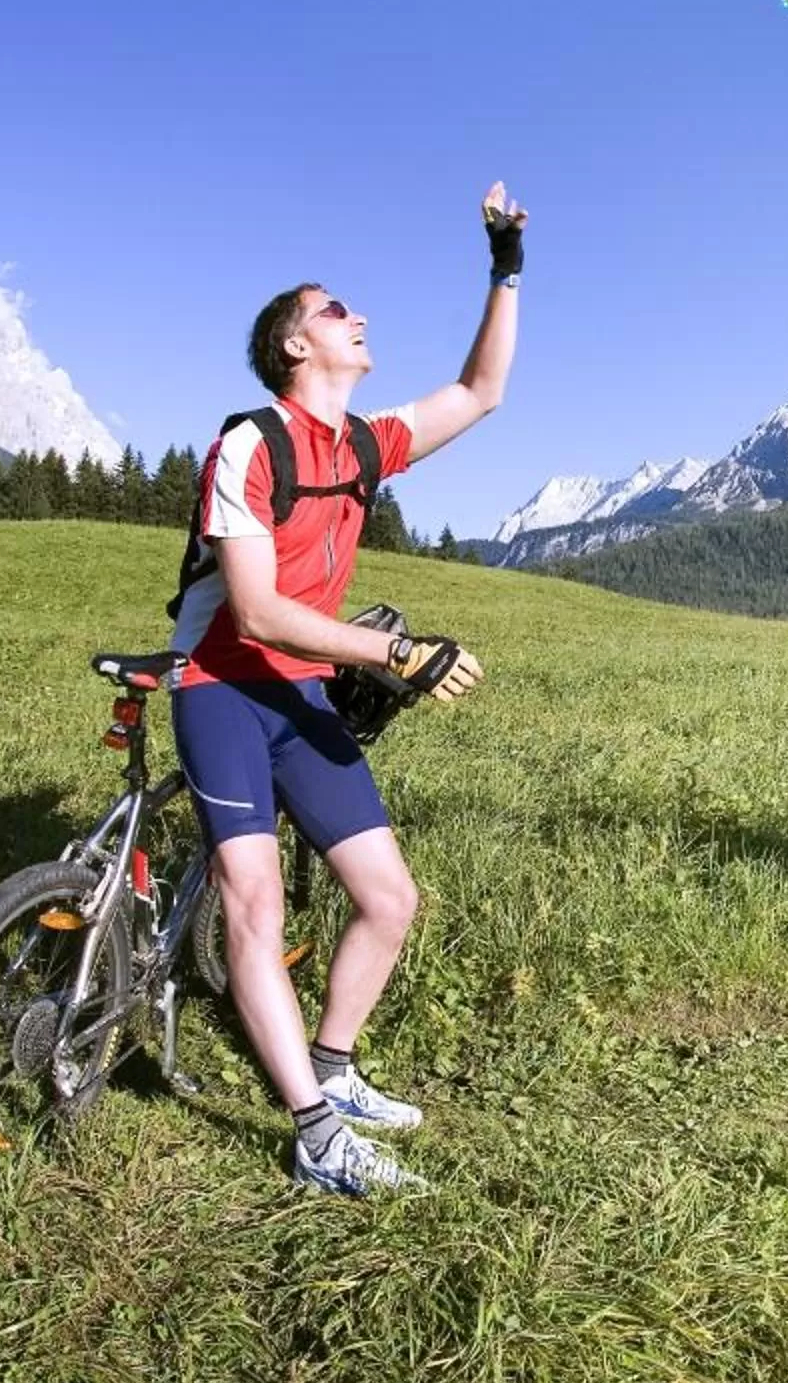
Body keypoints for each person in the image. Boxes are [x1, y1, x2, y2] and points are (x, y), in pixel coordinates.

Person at [167, 181, 529, 1194]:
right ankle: (315, 1130)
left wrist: (504, 266)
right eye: (335, 310)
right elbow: (258, 614)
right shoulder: (251, 443)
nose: (357, 318)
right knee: (257, 903)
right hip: (224, 688)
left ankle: (335, 1061)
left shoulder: (361, 445)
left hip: (302, 701)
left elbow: (482, 391)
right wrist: (393, 655)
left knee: (388, 897)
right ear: (295, 345)